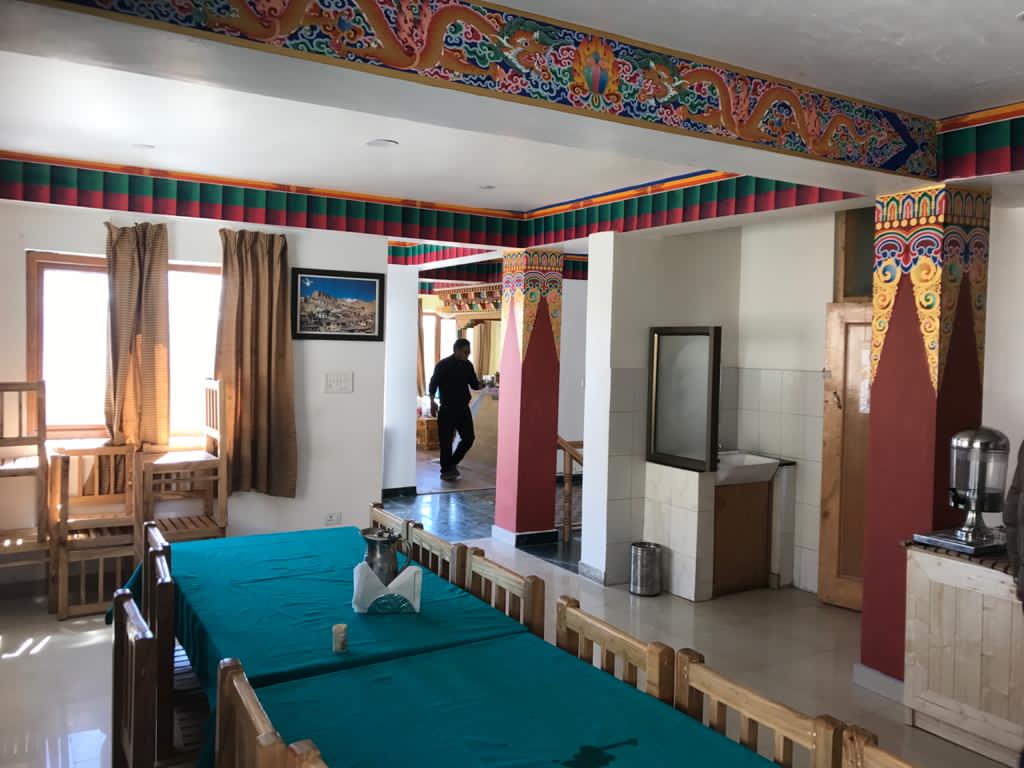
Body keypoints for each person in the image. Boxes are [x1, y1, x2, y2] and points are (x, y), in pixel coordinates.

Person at [429, 338, 484, 482]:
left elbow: (474, 385)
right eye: (465, 352)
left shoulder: (468, 366)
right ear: (456, 350)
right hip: (447, 409)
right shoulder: (443, 365)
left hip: (463, 409)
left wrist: (484, 384)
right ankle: (446, 470)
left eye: (469, 352)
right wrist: (432, 401)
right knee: (446, 442)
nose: (467, 355)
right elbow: (433, 383)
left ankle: (452, 463)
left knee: (469, 438)